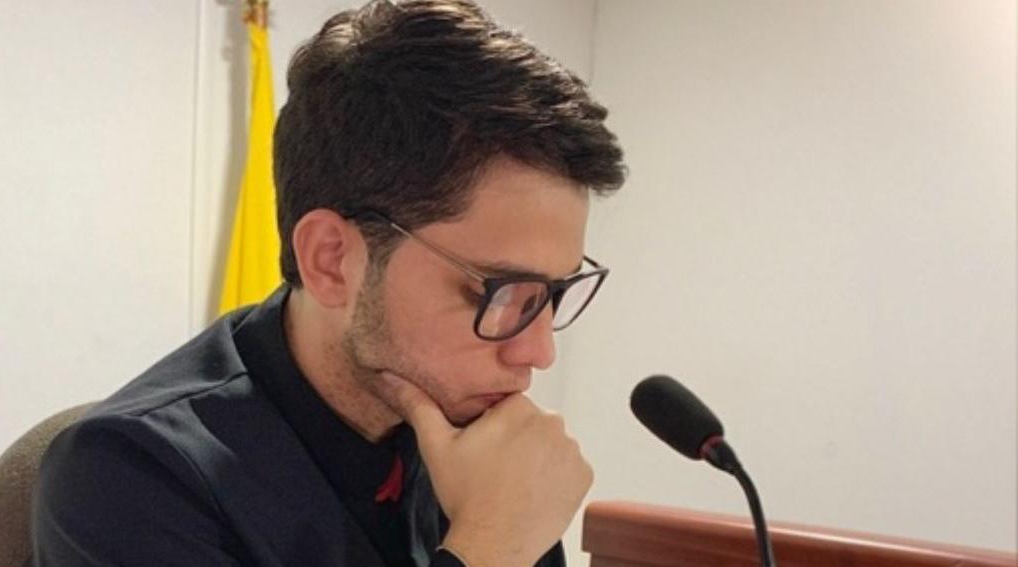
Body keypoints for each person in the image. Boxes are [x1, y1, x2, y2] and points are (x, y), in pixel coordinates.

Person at [31, 0, 625, 565]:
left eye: (551, 295)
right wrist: (491, 549)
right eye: (500, 291)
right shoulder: (129, 478)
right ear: (331, 260)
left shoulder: (482, 441)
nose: (539, 352)